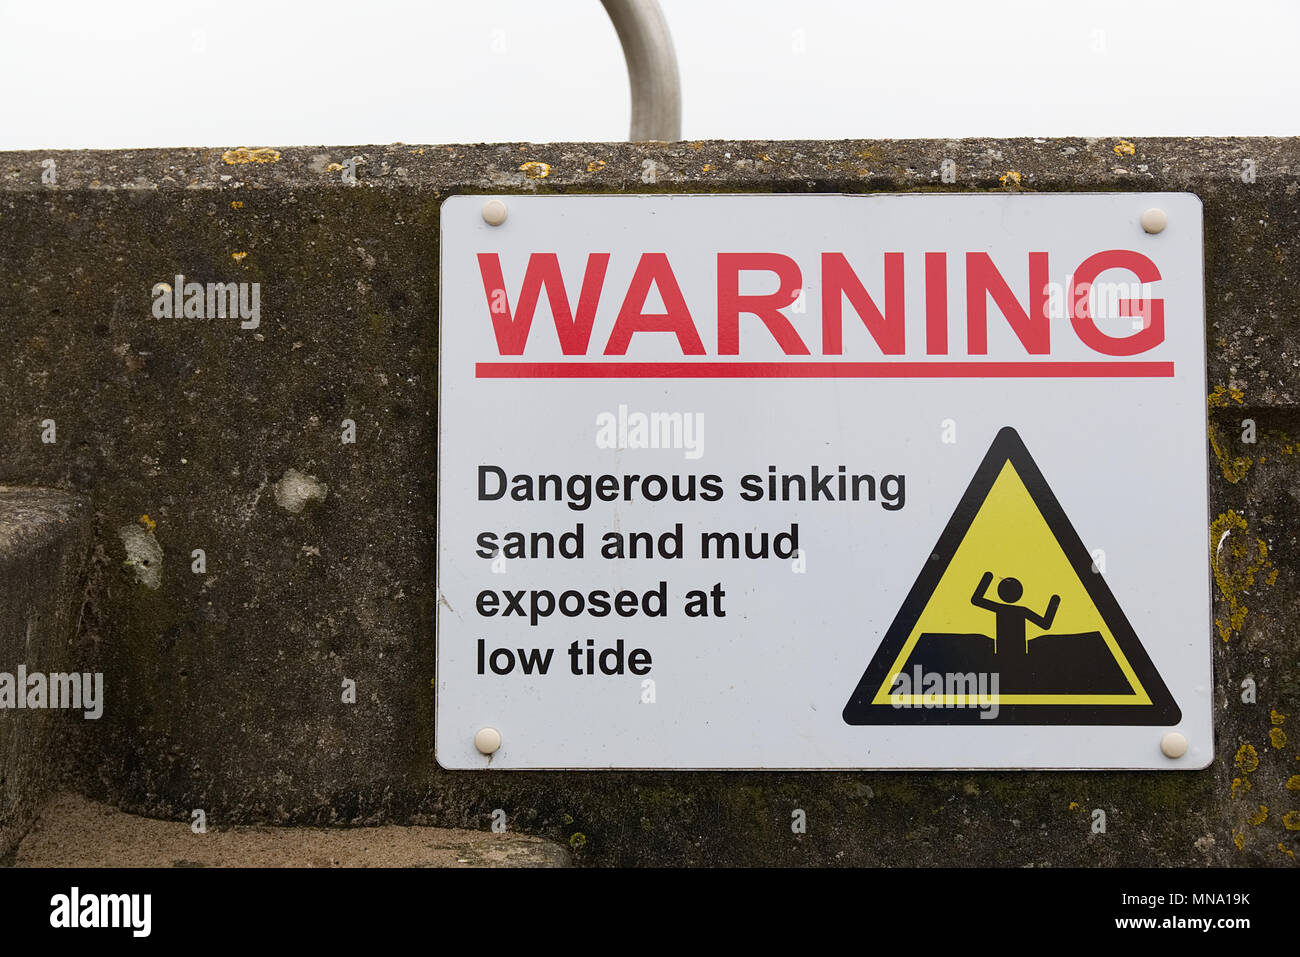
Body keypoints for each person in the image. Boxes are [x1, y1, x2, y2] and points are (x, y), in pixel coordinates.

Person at [970, 571, 1060, 656]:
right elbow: (1045, 624)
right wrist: (1054, 602)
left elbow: (976, 600)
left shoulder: (1000, 608)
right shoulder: (1022, 610)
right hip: (1018, 652)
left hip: (1003, 651)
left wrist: (988, 577)